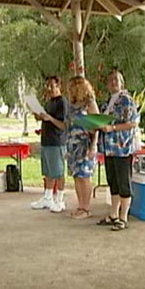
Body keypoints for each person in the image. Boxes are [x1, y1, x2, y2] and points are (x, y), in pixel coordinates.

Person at [96, 70, 139, 231]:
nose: (113, 82)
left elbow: (132, 123)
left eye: (116, 80)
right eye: (110, 80)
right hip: (108, 148)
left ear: (122, 82)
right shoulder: (107, 102)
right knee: (112, 181)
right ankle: (113, 214)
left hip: (122, 147)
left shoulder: (126, 100)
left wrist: (112, 127)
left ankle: (124, 217)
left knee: (123, 182)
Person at [63, 76, 100, 219]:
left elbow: (97, 125)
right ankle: (80, 205)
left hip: (85, 144)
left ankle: (86, 208)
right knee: (77, 176)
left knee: (84, 176)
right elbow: (66, 125)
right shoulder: (72, 105)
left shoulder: (89, 103)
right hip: (72, 145)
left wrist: (93, 145)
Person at [31, 76, 68, 212]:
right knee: (47, 171)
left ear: (59, 86)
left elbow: (63, 125)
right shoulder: (49, 102)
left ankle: (60, 199)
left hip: (56, 142)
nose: (49, 89)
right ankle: (47, 197)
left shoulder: (62, 103)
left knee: (58, 172)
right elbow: (45, 118)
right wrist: (39, 115)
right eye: (47, 86)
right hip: (46, 140)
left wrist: (49, 118)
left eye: (52, 86)